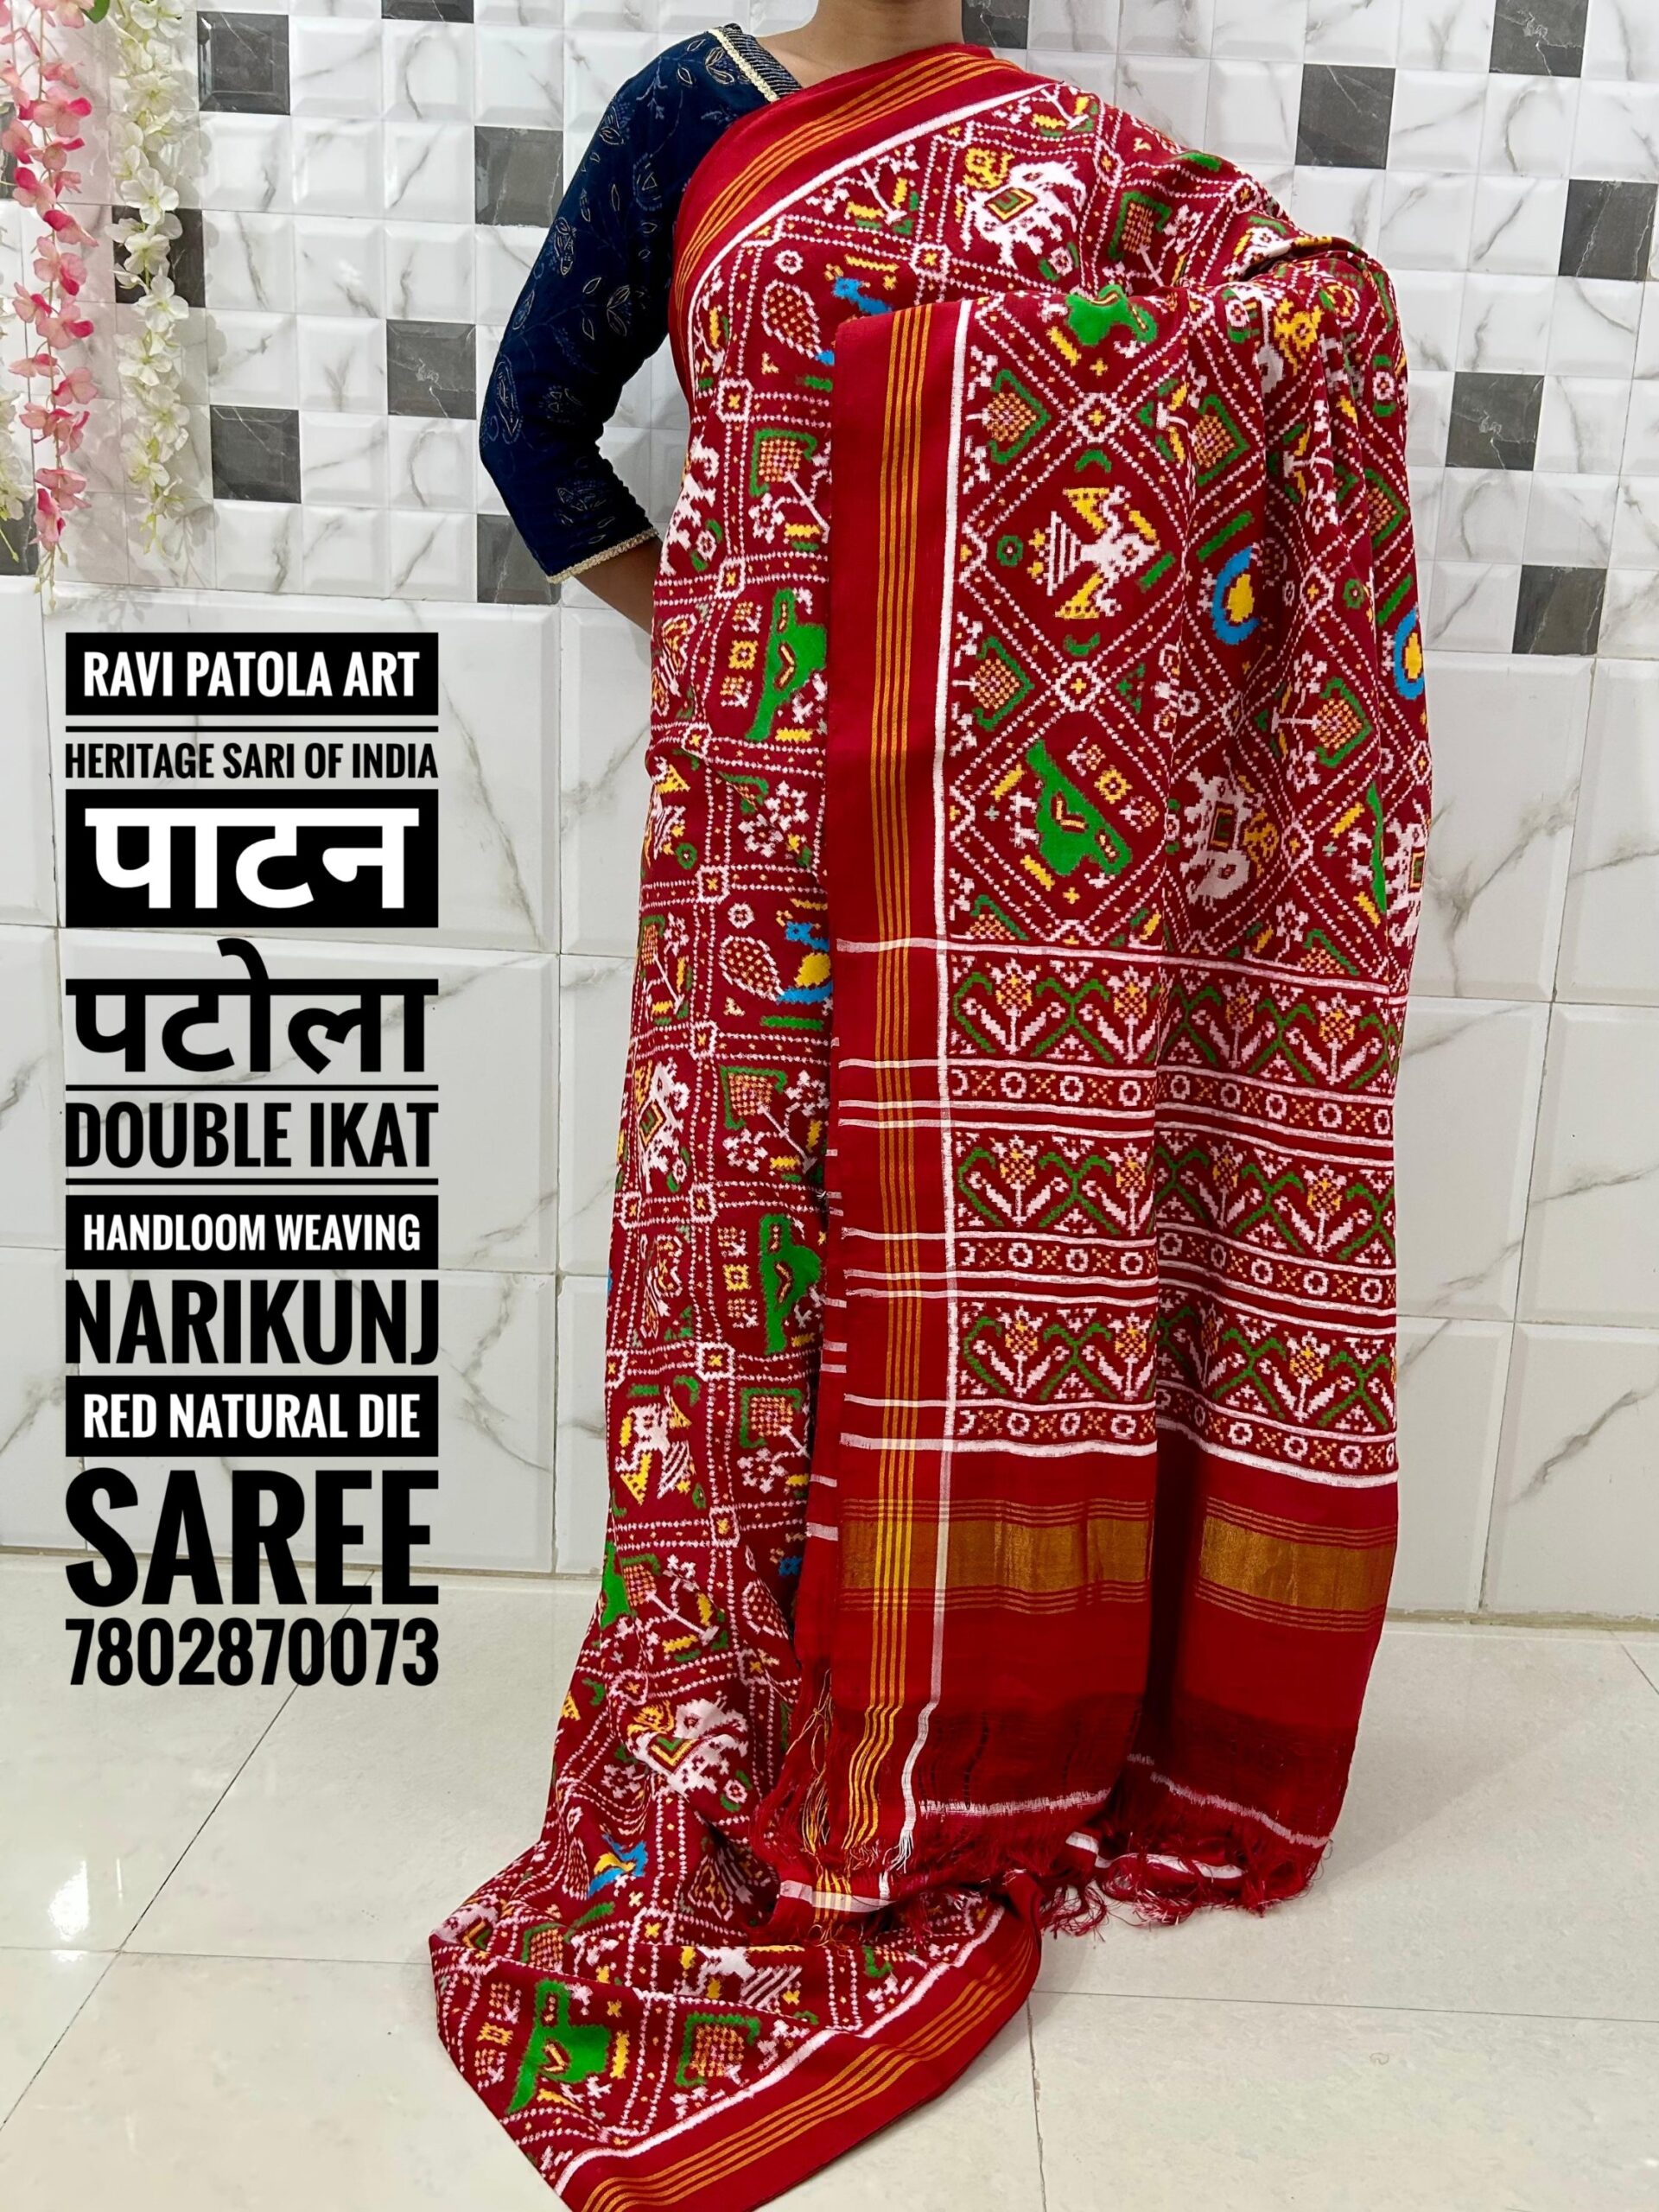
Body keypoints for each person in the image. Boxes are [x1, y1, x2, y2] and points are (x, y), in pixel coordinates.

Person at [438, 11, 1433, 2209]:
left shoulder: (1094, 171)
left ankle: (968, 1711)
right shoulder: (691, 116)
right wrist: (727, 630)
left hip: (1001, 871)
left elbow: (1295, 352)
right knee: (759, 1267)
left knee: (961, 1273)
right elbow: (534, 437)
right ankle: (759, 1700)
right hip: (765, 847)